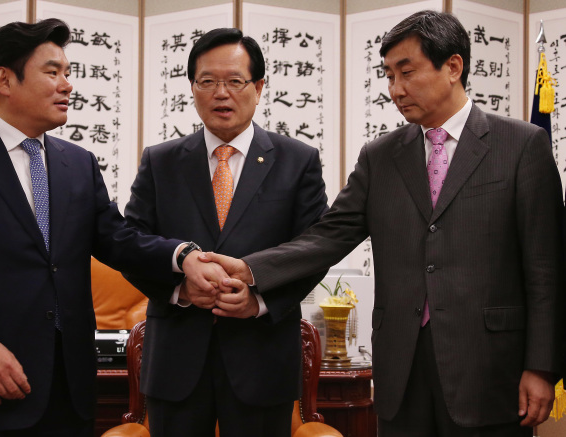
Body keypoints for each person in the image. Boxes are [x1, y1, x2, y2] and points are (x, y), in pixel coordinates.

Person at [203, 11, 564, 437]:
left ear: (453, 67)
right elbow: (329, 234)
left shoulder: (521, 145)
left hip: (489, 369)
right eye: (389, 75)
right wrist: (250, 269)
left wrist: (541, 367)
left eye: (406, 73)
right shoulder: (381, 156)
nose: (395, 90)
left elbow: (547, 269)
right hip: (401, 370)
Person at [0, 19, 222, 437]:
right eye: (52, 71)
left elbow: (117, 239)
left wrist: (182, 256)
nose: (67, 85)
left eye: (68, 72)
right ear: (5, 79)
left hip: (69, 389)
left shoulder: (77, 163)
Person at [122, 28, 328, 437]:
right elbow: (131, 243)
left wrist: (260, 301)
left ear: (259, 87)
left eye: (234, 81)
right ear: (192, 88)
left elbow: (313, 249)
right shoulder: (161, 162)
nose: (221, 93)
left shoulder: (298, 160)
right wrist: (180, 289)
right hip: (176, 362)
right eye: (208, 82)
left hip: (262, 356)